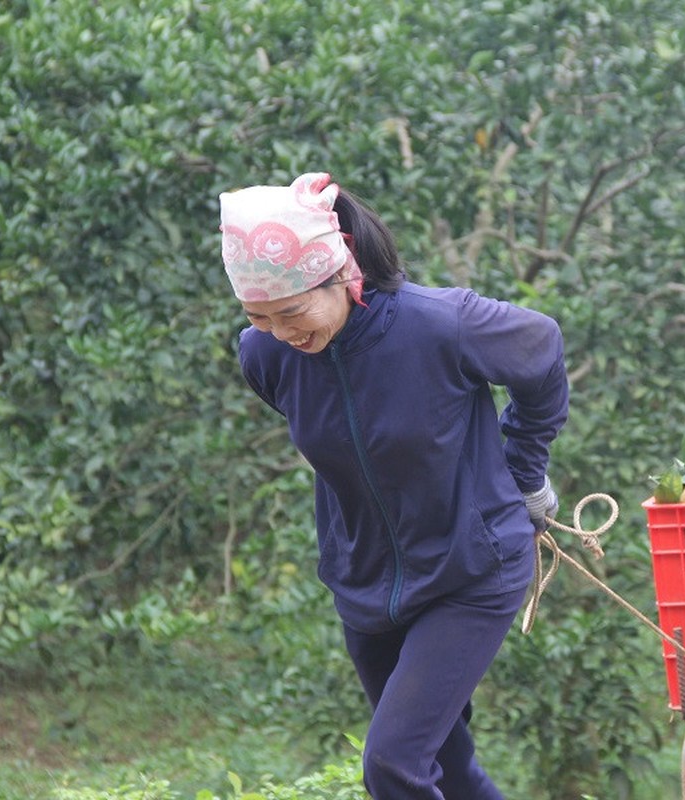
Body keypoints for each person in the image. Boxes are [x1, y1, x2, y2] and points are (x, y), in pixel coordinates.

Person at [218, 172, 569, 799]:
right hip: (364, 585)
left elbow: (541, 348)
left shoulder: (440, 324)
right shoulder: (265, 356)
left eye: (293, 310)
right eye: (258, 316)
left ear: (344, 273)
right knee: (449, 769)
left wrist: (524, 473)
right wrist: (275, 331)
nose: (281, 332)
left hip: (472, 571)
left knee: (393, 765)